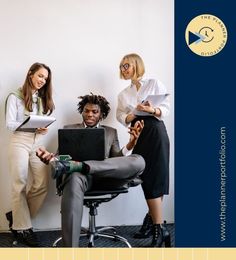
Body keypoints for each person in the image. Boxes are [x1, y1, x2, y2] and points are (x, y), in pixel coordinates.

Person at [36, 93, 145, 247]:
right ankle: (70, 252)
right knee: (73, 177)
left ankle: (82, 165)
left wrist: (131, 144)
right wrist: (50, 158)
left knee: (139, 160)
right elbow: (60, 159)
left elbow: (116, 159)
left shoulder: (110, 132)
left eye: (94, 112)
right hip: (80, 179)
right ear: (82, 111)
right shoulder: (69, 130)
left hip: (105, 177)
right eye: (86, 111)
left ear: (101, 114)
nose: (90, 114)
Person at [117, 53, 170, 247]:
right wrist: (133, 113)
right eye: (122, 66)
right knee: (146, 177)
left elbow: (165, 108)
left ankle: (156, 227)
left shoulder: (154, 83)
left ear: (137, 65)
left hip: (156, 131)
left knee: (158, 176)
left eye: (127, 65)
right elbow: (121, 117)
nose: (123, 69)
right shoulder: (123, 94)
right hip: (138, 132)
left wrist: (151, 110)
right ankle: (154, 223)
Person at [5, 62, 55, 247]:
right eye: (40, 76)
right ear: (30, 74)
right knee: (20, 184)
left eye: (46, 78)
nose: (43, 80)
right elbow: (9, 124)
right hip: (19, 141)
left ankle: (15, 217)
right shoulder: (15, 96)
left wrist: (41, 129)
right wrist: (30, 125)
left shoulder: (41, 99)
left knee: (42, 184)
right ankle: (24, 228)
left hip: (37, 143)